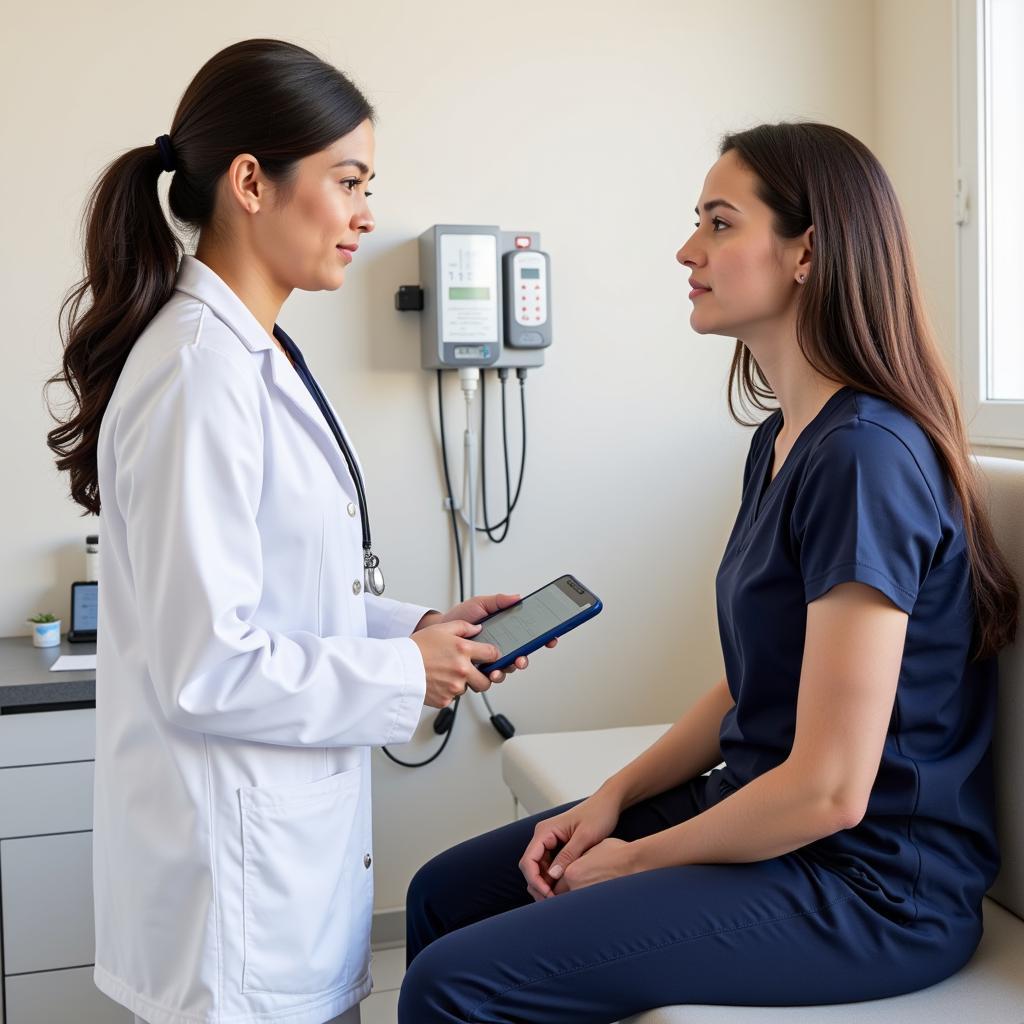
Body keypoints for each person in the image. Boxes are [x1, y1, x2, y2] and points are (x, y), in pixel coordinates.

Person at [399, 122, 1019, 1022]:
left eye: (720, 224)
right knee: (443, 895)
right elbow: (749, 684)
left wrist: (639, 859)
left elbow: (832, 790)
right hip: (766, 816)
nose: (689, 249)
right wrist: (611, 800)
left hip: (869, 885)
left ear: (807, 250)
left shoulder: (866, 459)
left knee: (452, 984)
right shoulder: (782, 441)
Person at [45, 38, 550, 1024]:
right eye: (347, 180)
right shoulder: (200, 372)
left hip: (279, 878)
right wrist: (411, 673)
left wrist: (423, 631)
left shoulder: (252, 351)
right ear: (250, 182)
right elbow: (209, 666)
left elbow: (285, 594)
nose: (365, 212)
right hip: (235, 904)